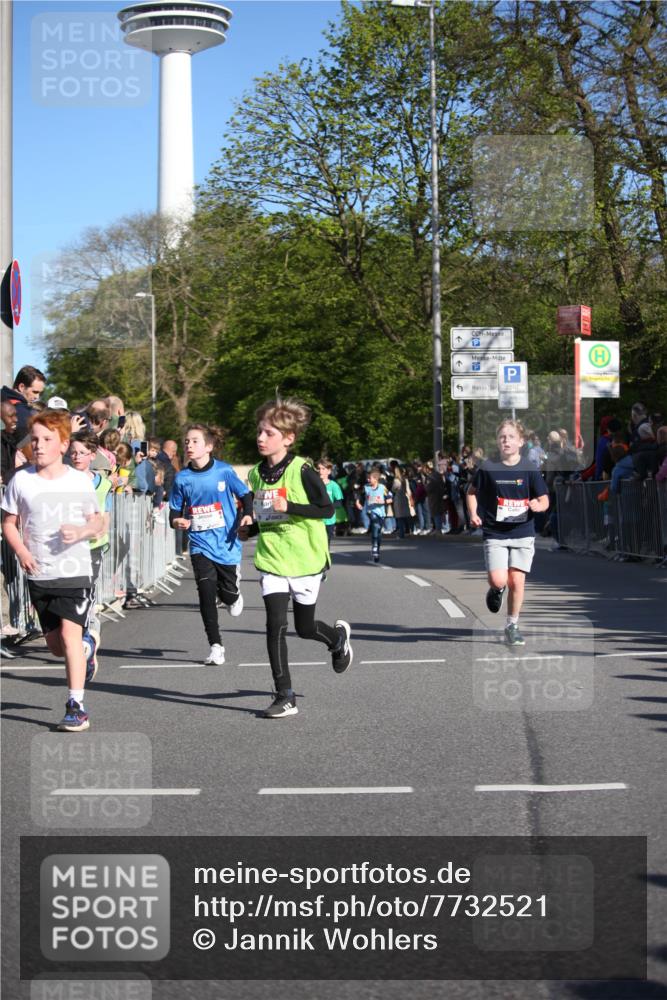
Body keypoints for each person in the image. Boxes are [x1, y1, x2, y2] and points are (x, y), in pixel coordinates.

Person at [239, 397, 352, 718]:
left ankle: (337, 639)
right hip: (272, 557)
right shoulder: (258, 475)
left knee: (304, 628)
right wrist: (251, 528)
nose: (261, 438)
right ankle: (284, 694)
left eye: (269, 433)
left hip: (305, 558)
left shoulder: (302, 469)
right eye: (259, 432)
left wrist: (292, 507)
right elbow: (266, 517)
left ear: (288, 438)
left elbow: (326, 510)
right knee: (275, 624)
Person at [1, 410, 103, 731]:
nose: (39, 446)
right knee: (57, 646)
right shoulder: (21, 480)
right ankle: (87, 647)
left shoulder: (79, 481)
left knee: (69, 637)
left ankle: (76, 706)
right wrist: (20, 550)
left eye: (47, 440)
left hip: (75, 570)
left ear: (63, 444)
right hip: (39, 572)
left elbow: (99, 521)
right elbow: (8, 523)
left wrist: (82, 532)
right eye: (35, 440)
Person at [170, 424, 253, 665]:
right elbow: (175, 511)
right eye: (186, 441)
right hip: (199, 543)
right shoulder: (182, 478)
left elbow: (246, 495)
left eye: (195, 441)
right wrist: (177, 521)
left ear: (208, 446)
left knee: (228, 598)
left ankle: (232, 592)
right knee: (206, 594)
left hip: (226, 543)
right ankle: (216, 646)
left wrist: (247, 514)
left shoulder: (224, 472)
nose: (189, 445)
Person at [466, 419, 549, 646]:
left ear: (521, 442)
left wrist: (538, 506)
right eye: (503, 437)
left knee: (517, 581)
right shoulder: (488, 467)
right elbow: (471, 492)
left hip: (523, 531)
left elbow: (544, 499)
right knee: (498, 579)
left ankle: (512, 625)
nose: (506, 440)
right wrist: (473, 513)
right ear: (497, 441)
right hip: (495, 532)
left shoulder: (529, 469)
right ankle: (496, 589)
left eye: (511, 437)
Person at [68, 431, 113, 673]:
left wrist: (97, 529)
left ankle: (88, 640)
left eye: (82, 453)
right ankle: (83, 638)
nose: (76, 456)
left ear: (92, 456)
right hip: (69, 547)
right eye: (73, 452)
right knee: (72, 595)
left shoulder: (102, 484)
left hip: (93, 546)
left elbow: (105, 517)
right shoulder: (62, 481)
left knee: (87, 592)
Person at [359, 467, 391, 563]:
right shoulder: (366, 487)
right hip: (371, 512)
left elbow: (390, 498)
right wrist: (358, 502)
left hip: (381, 513)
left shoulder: (382, 488)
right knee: (375, 525)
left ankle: (377, 547)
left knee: (378, 532)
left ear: (376, 479)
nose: (368, 480)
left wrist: (382, 501)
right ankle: (375, 547)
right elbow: (361, 497)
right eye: (368, 478)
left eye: (370, 478)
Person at [316, 458, 344, 545]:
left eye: (323, 469)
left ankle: (326, 559)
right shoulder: (314, 485)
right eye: (318, 468)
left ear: (329, 471)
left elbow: (339, 503)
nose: (320, 471)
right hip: (316, 519)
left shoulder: (333, 485)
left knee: (325, 544)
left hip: (328, 520)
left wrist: (328, 507)